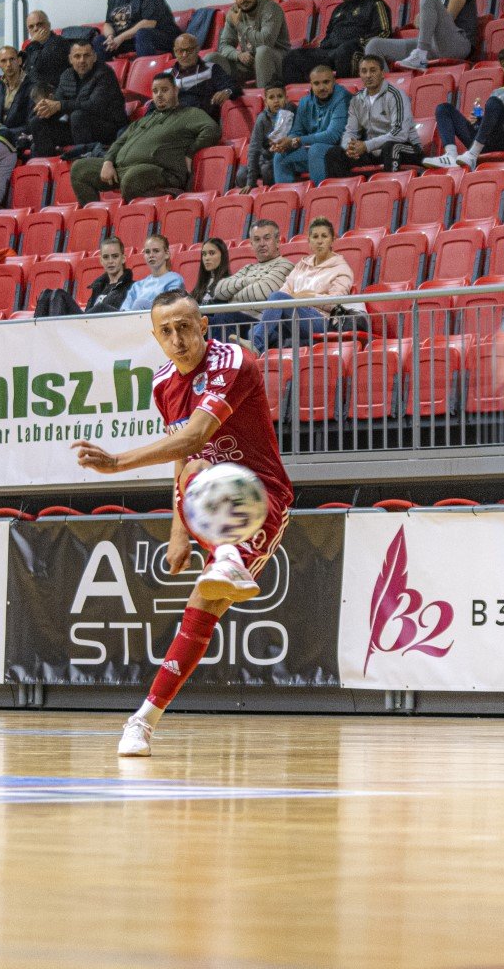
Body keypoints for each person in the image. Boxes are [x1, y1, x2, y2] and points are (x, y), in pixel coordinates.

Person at [73, 289, 294, 757]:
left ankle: (229, 554)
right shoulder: (162, 384)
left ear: (204, 326)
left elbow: (196, 436)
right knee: (197, 480)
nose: (177, 339)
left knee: (200, 479)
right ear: (155, 336)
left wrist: (117, 463)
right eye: (166, 331)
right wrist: (179, 534)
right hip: (204, 498)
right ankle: (142, 722)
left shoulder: (234, 360)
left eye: (185, 327)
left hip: (261, 497)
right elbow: (183, 454)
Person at [70, 74, 220, 204]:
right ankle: (98, 219)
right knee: (79, 169)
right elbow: (120, 142)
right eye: (155, 91)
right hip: (123, 170)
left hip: (160, 172)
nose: (159, 95)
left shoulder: (190, 114)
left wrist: (191, 152)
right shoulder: (144, 120)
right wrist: (108, 161)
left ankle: (133, 218)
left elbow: (212, 129)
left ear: (176, 90)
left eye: (164, 90)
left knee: (132, 179)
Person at [425, 45, 504, 169]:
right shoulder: (498, 92)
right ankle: (451, 155)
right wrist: (477, 121)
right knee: (444, 108)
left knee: (494, 103)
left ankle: (472, 153)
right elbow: (489, 122)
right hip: (484, 142)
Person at [247, 217, 355, 354]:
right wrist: (296, 298)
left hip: (322, 320)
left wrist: (308, 296)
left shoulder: (341, 268)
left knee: (266, 321)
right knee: (255, 330)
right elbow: (285, 291)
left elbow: (337, 303)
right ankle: (264, 360)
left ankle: (256, 345)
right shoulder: (302, 265)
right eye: (315, 237)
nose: (320, 241)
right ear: (309, 241)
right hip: (294, 317)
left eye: (324, 236)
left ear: (332, 240)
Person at [282, 0, 393, 84]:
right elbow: (329, 34)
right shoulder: (338, 10)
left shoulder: (375, 4)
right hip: (329, 52)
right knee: (293, 56)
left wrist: (358, 41)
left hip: (354, 50)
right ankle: (304, 98)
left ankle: (341, 93)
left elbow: (384, 32)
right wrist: (324, 44)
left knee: (344, 51)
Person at [30, 38, 128, 158]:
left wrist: (60, 105)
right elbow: (57, 103)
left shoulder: (105, 73)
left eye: (86, 56)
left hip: (109, 128)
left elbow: (94, 105)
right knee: (37, 122)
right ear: (70, 59)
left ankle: (83, 162)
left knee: (78, 116)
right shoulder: (66, 75)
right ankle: (49, 166)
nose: (82, 60)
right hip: (77, 127)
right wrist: (46, 109)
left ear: (94, 57)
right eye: (77, 56)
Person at [327, 54, 421, 178]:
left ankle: (390, 190)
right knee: (334, 153)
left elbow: (400, 134)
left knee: (391, 147)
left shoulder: (396, 95)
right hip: (375, 151)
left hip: (408, 148)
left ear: (382, 73)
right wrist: (350, 147)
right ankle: (349, 192)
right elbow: (350, 131)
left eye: (373, 70)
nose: (368, 75)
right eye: (364, 71)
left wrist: (366, 146)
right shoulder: (357, 99)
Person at [205, 219, 292, 333]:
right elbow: (219, 290)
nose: (261, 244)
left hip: (258, 326)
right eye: (257, 239)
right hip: (233, 320)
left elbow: (262, 291)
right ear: (251, 244)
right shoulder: (248, 268)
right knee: (198, 321)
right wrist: (248, 281)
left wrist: (232, 295)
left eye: (267, 238)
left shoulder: (285, 265)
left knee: (224, 315)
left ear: (277, 241)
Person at [271, 63, 351, 185]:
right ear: (311, 85)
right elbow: (297, 131)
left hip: (341, 150)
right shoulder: (305, 101)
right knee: (280, 156)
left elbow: (333, 136)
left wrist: (296, 141)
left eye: (326, 82)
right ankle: (289, 200)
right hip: (316, 150)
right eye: (316, 83)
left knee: (316, 150)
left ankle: (320, 198)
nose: (322, 87)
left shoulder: (342, 97)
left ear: (334, 81)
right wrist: (286, 142)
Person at [207, 0, 288, 91]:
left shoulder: (271, 8)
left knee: (262, 51)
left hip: (276, 60)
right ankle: (219, 103)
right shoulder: (234, 12)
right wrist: (238, 55)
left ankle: (265, 102)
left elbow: (266, 41)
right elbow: (224, 45)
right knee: (211, 58)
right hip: (249, 62)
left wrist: (239, 25)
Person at [165, 32, 239, 116]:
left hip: (197, 117)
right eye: (180, 51)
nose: (184, 55)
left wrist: (227, 92)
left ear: (197, 49)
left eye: (189, 50)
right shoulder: (167, 74)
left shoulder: (211, 69)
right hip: (170, 118)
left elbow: (232, 86)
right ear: (175, 52)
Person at [240, 83, 296, 190]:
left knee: (267, 170)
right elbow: (254, 148)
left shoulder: (292, 112)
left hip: (284, 158)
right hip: (265, 159)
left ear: (286, 98)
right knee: (241, 175)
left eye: (280, 96)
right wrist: (250, 182)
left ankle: (271, 196)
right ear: (265, 102)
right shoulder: (262, 119)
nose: (276, 101)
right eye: (271, 97)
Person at [120, 235, 185, 311]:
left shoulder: (175, 280)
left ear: (167, 254)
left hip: (160, 319)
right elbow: (123, 311)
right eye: (147, 252)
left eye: (156, 251)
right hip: (133, 321)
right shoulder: (137, 286)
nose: (151, 255)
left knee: (140, 303)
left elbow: (171, 307)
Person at [0, 45, 34, 141]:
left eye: (12, 59)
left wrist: (3, 132)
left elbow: (31, 124)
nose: (8, 64)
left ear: (19, 61)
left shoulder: (32, 85)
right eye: (3, 61)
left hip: (19, 137)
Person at [22, 11, 74, 94]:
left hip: (53, 94)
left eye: (39, 24)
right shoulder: (31, 47)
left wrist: (34, 43)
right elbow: (23, 70)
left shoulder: (59, 43)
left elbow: (38, 66)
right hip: (33, 93)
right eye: (31, 27)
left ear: (48, 25)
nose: (35, 29)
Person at [85, 236, 134, 313]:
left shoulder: (132, 287)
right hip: (89, 323)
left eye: (115, 256)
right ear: (101, 261)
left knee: (100, 307)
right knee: (60, 295)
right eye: (106, 257)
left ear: (123, 259)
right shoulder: (98, 287)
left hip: (114, 323)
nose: (110, 261)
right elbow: (86, 314)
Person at [190, 237, 231, 305]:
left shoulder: (228, 283)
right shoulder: (202, 284)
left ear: (222, 255)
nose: (206, 258)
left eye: (212, 253)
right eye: (204, 254)